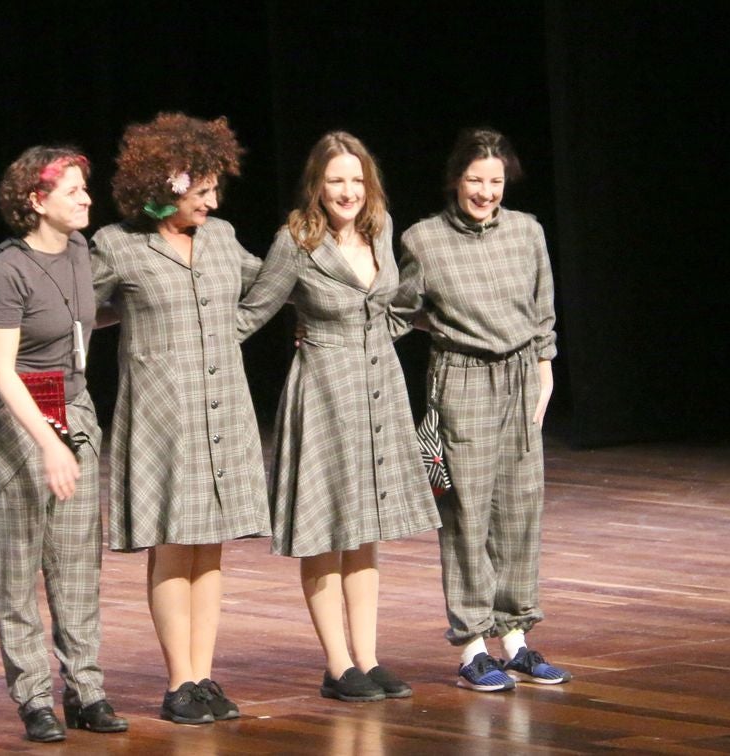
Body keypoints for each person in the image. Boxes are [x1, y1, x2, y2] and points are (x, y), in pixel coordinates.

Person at [236, 132, 440, 702]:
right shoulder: (295, 242)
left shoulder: (382, 230)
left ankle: (369, 658)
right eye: (335, 181)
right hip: (325, 393)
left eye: (355, 180)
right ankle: (337, 663)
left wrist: (377, 336)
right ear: (317, 187)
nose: (347, 191)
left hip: (380, 390)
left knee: (366, 531)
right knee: (326, 530)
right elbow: (253, 313)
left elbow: (396, 308)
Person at [90, 113, 270, 725]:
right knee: (172, 545)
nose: (212, 202)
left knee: (209, 547)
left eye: (215, 191)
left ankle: (205, 674)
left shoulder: (220, 238)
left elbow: (268, 283)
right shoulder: (118, 245)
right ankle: (179, 681)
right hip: (163, 413)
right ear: (170, 182)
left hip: (223, 407)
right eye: (203, 192)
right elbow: (79, 308)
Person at [0, 146, 128, 742]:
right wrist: (50, 445)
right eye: (74, 190)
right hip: (16, 412)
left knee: (77, 559)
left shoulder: (79, 249)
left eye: (86, 188)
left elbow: (80, 322)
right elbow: (2, 370)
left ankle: (87, 690)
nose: (87, 198)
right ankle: (33, 698)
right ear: (37, 201)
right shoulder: (8, 269)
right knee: (19, 561)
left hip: (69, 404)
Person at [392, 127, 571, 693]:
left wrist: (545, 369)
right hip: (462, 380)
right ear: (455, 180)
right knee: (466, 512)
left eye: (495, 181)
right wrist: (439, 325)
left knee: (520, 506)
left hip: (521, 379)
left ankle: (515, 639)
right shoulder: (423, 240)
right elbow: (399, 311)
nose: (486, 191)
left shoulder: (527, 232)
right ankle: (472, 645)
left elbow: (543, 310)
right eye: (475, 180)